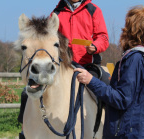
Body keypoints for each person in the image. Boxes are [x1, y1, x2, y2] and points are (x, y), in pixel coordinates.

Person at [18, 0, 109, 138]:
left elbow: (103, 37)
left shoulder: (93, 10)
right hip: (64, 64)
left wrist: (95, 46)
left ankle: (111, 127)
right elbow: (47, 38)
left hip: (87, 64)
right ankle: (25, 130)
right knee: (27, 93)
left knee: (106, 87)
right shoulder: (56, 13)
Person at [74, 5, 144, 139]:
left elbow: (122, 99)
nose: (123, 30)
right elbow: (137, 96)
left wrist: (91, 81)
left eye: (127, 27)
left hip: (127, 135)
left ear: (133, 31)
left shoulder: (134, 59)